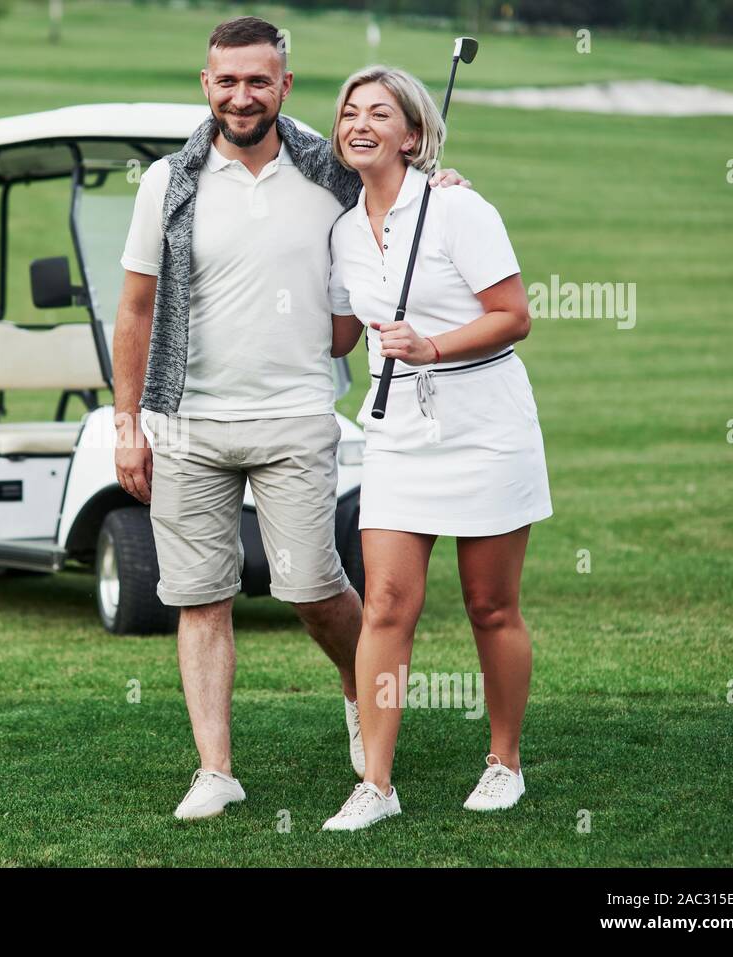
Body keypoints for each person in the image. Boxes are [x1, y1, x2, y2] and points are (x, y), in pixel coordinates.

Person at [111, 17, 468, 821]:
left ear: (285, 86)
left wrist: (441, 186)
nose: (243, 95)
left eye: (258, 80)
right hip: (188, 420)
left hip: (300, 413)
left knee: (312, 586)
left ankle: (357, 688)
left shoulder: (329, 171)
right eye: (227, 81)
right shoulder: (167, 181)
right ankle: (215, 769)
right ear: (206, 85)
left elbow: (397, 190)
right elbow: (135, 307)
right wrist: (127, 421)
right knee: (200, 595)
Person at [320, 65, 552, 833]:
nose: (360, 122)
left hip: (484, 423)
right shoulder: (343, 230)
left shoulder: (458, 208)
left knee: (490, 605)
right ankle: (377, 784)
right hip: (396, 433)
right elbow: (338, 333)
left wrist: (433, 346)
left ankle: (504, 761)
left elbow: (514, 315)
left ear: (412, 135)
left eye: (379, 113)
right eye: (350, 111)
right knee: (386, 603)